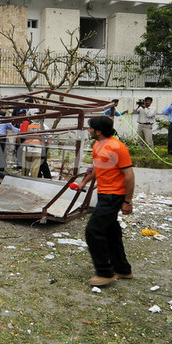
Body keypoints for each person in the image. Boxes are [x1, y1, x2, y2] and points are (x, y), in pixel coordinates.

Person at [74, 116, 135, 287]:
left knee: (93, 230)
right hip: (104, 193)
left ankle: (105, 272)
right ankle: (123, 269)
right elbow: (97, 168)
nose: (89, 130)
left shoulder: (117, 147)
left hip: (114, 195)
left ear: (99, 131)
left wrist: (128, 201)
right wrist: (84, 183)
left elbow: (129, 175)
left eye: (91, 128)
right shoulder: (98, 145)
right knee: (110, 232)